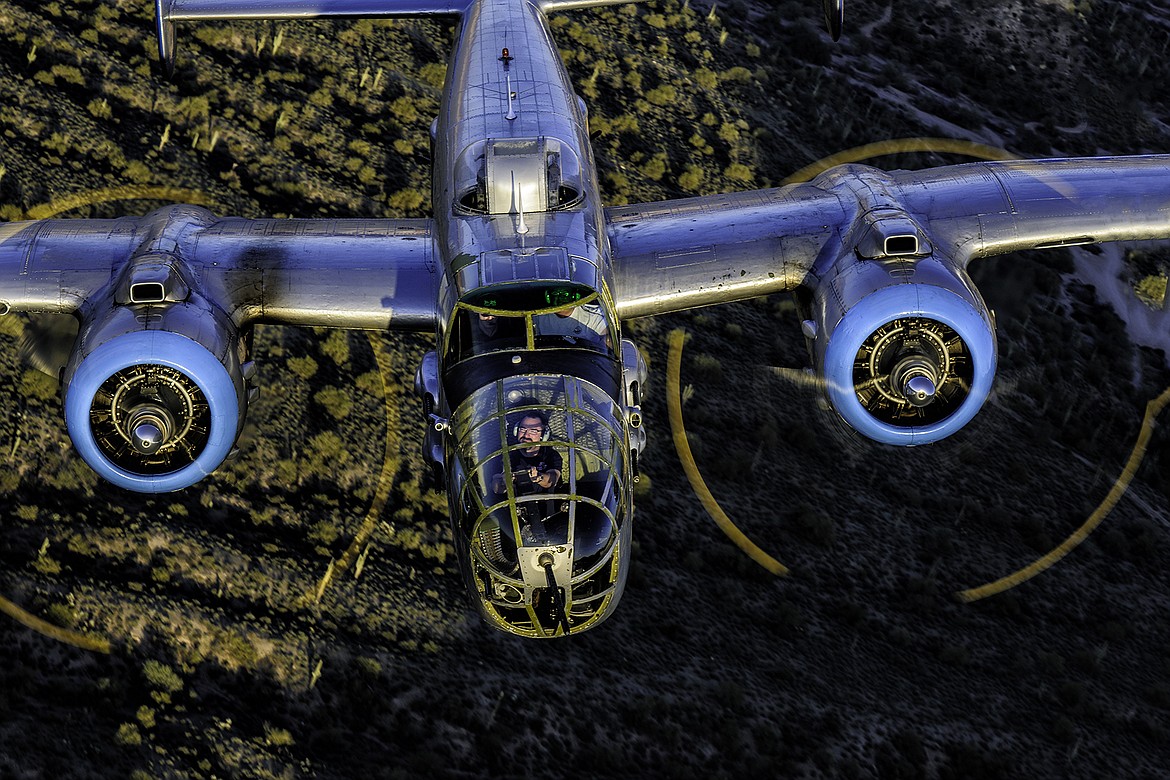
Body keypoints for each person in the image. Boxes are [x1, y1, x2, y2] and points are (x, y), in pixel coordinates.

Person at [492, 411, 562, 496]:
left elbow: (552, 479)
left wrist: (539, 477)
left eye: (533, 431)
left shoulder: (551, 455)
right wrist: (504, 481)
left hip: (546, 505)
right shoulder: (505, 455)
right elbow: (496, 487)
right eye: (522, 429)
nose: (526, 435)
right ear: (516, 431)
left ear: (544, 435)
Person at [534, 303, 609, 347]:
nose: (561, 299)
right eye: (555, 294)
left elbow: (607, 350)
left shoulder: (597, 317)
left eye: (566, 294)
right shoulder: (537, 316)